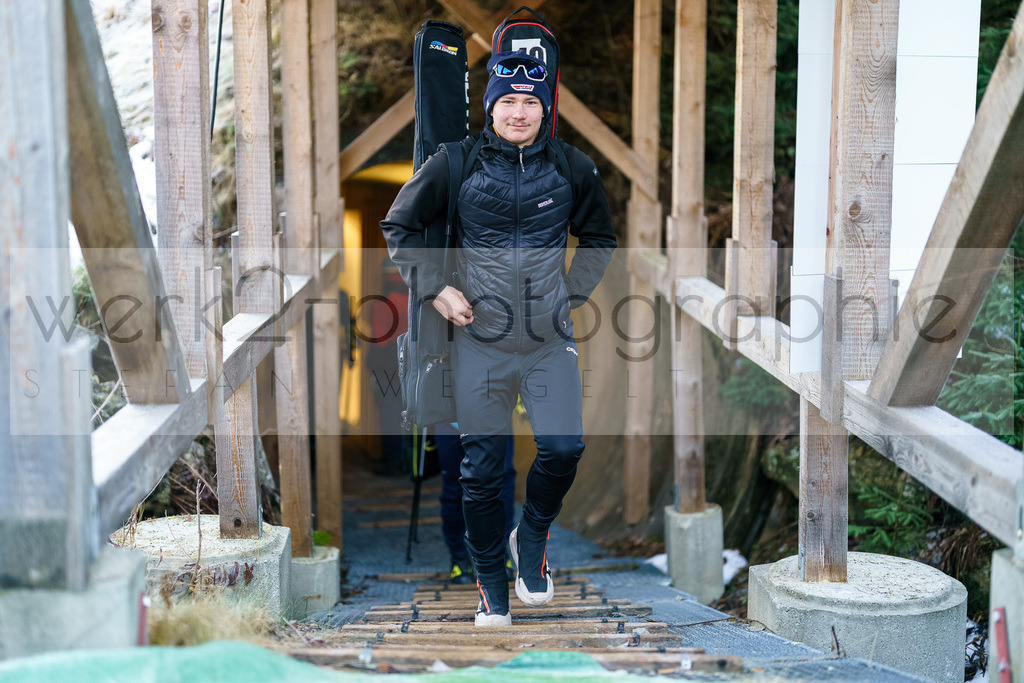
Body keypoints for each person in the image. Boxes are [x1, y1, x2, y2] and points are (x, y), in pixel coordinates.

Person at [381, 49, 616, 626]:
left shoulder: (572, 166)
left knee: (563, 449)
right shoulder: (454, 163)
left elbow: (600, 238)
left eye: (529, 102)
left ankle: (530, 538)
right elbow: (399, 226)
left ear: (545, 109)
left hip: (545, 340)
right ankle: (491, 588)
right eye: (507, 100)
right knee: (480, 471)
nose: (518, 112)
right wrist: (437, 289)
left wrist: (570, 297)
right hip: (478, 341)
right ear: (490, 107)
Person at [434, 424, 515, 584]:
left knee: (501, 481)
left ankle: (500, 553)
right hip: (449, 418)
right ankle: (459, 557)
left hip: (494, 415)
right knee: (455, 485)